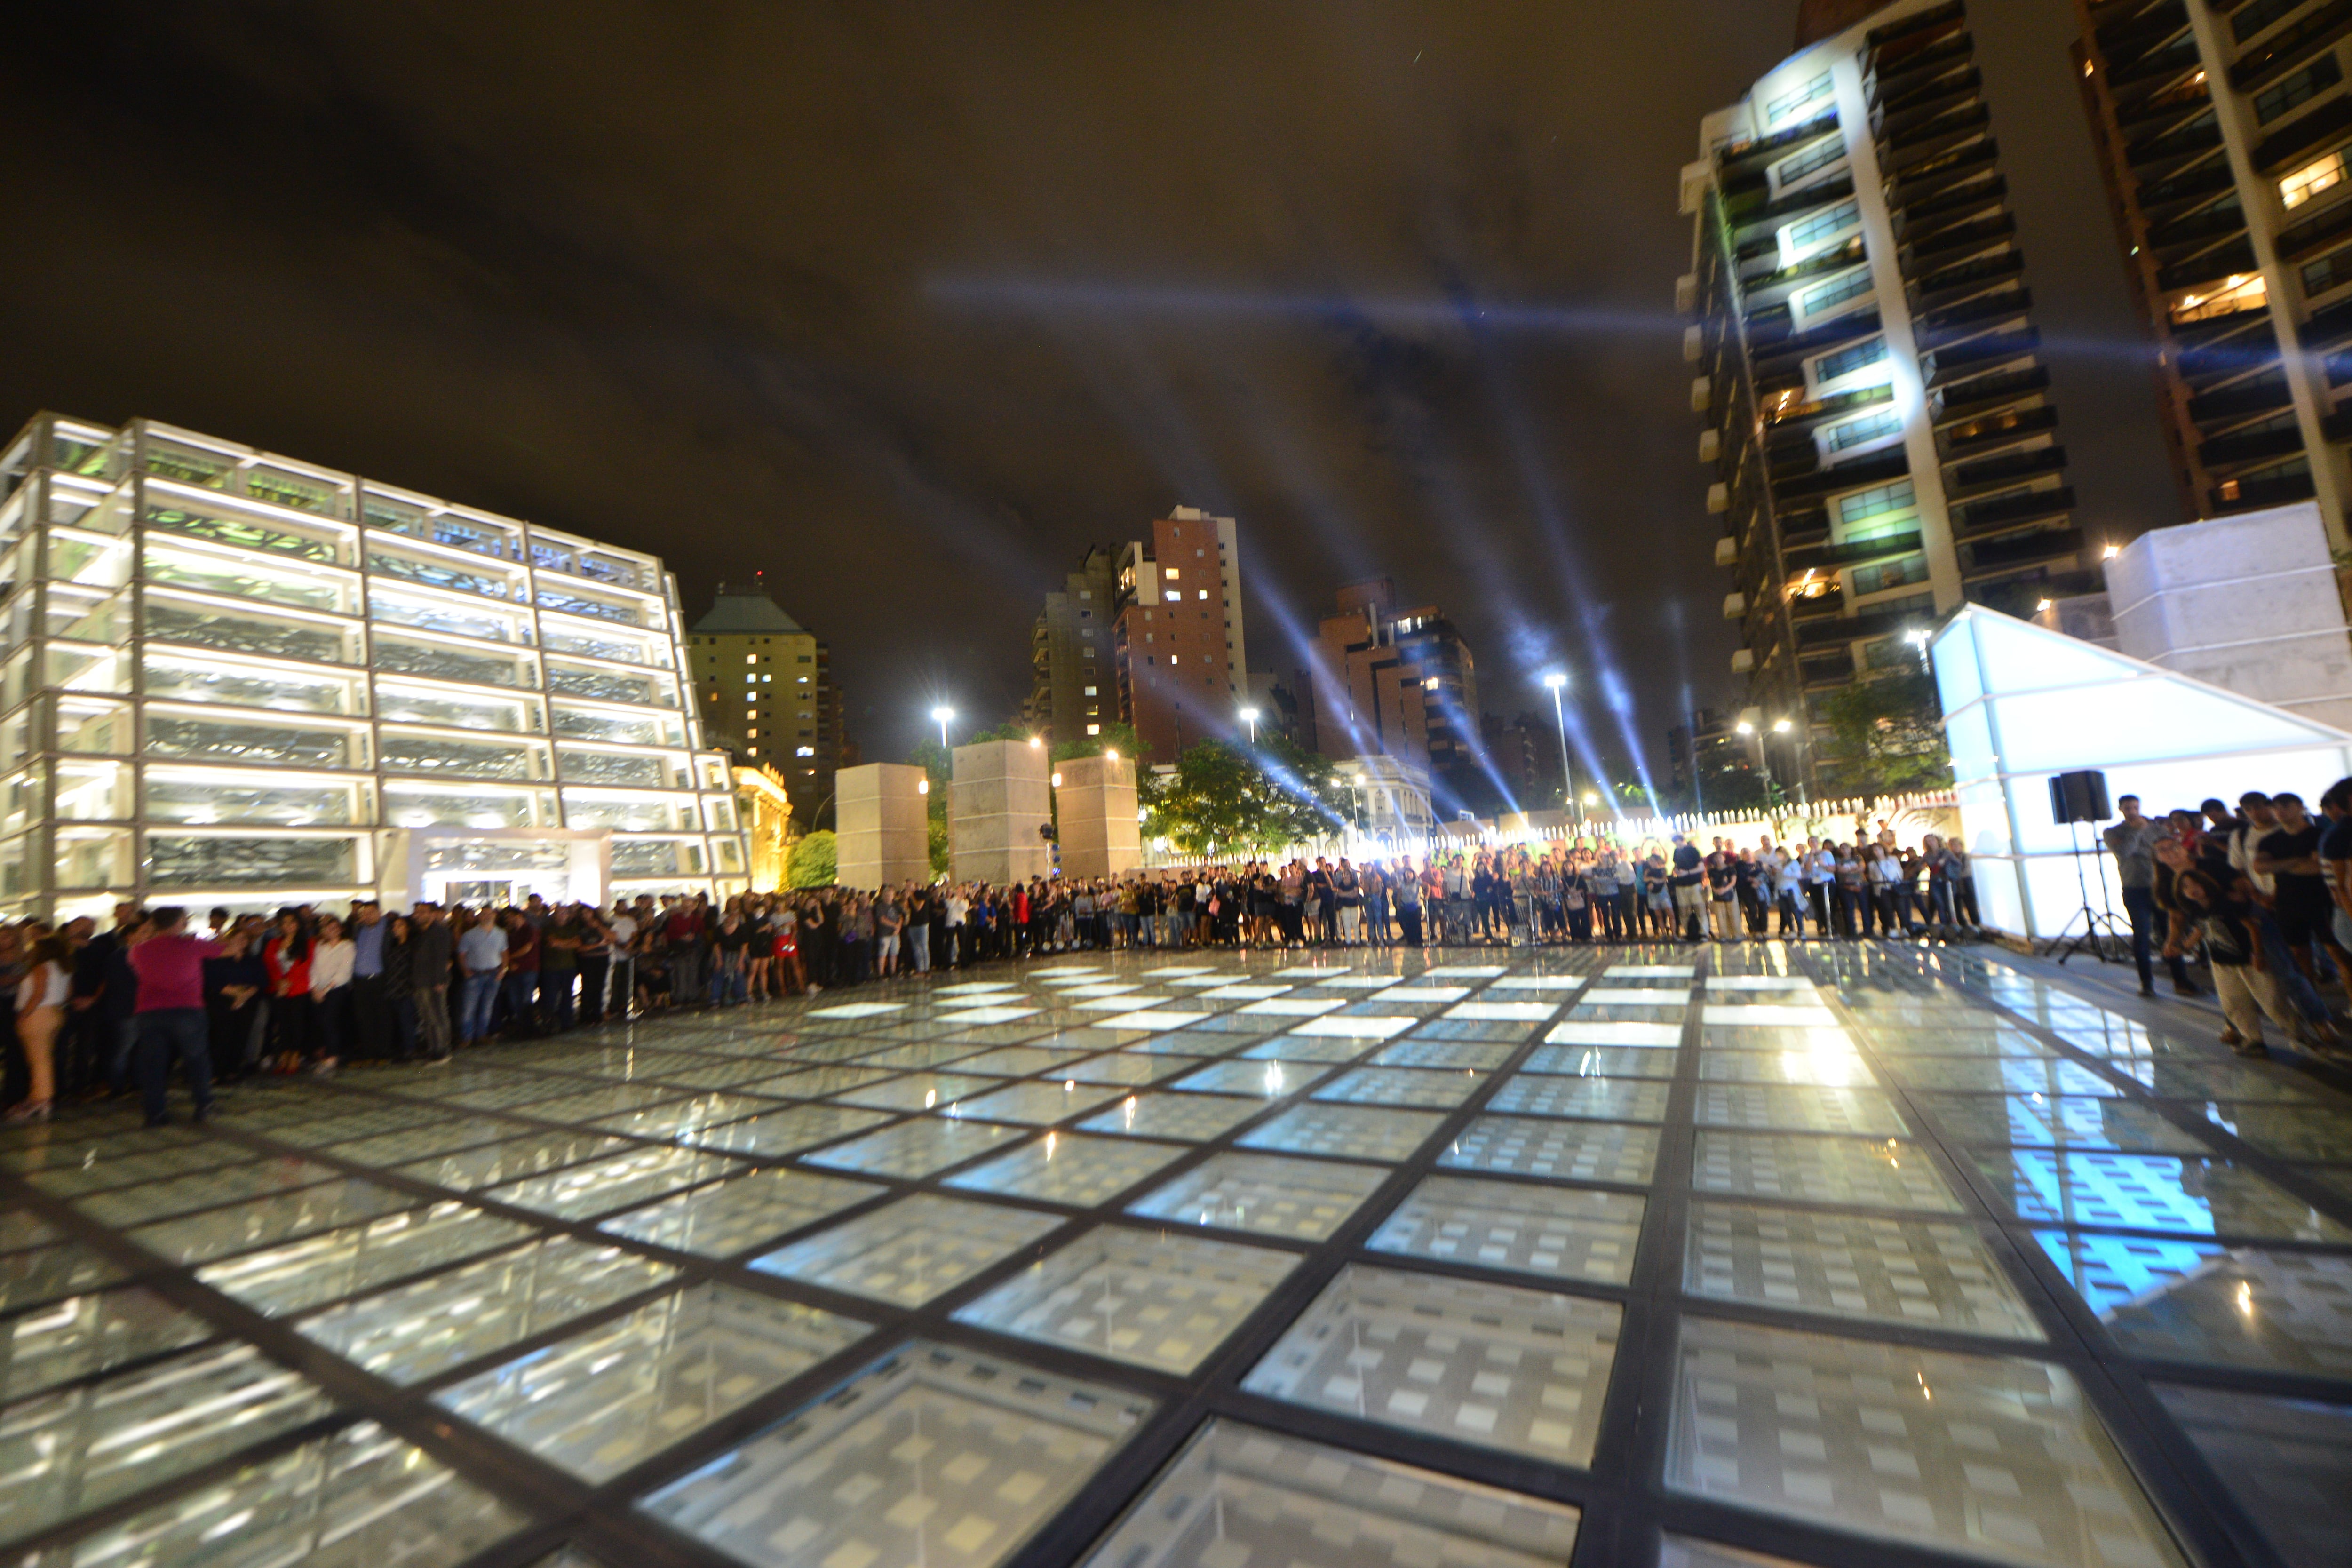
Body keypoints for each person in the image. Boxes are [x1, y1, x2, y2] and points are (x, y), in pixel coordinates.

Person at [125, 908, 221, 1125]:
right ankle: (204, 1104)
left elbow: (135, 965)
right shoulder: (192, 946)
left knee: (154, 1064)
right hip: (187, 1009)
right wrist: (218, 936)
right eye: (185, 920)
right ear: (179, 922)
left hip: (149, 1012)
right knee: (197, 1060)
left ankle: (155, 1112)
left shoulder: (139, 950)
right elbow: (226, 950)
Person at [2105, 794, 2197, 998]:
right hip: (2134, 888)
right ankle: (2146, 982)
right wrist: (2137, 833)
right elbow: (2124, 852)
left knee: (2172, 930)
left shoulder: (2156, 828)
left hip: (2160, 886)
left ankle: (2181, 980)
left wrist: (2144, 844)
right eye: (2128, 808)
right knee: (2142, 934)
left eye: (2135, 807)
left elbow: (2164, 850)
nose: (2132, 811)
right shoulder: (2113, 832)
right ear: (2121, 809)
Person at [8, 936, 70, 1122]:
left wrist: (24, 1014)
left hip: (38, 1015)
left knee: (38, 1060)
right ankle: (40, 1097)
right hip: (56, 1012)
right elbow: (68, 994)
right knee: (45, 1058)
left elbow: (38, 994)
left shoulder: (41, 967)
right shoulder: (64, 968)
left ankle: (41, 1100)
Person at [410, 903, 454, 1062]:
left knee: (437, 1016)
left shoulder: (439, 932)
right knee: (427, 1018)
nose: (418, 915)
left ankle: (442, 1050)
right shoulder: (419, 933)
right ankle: (432, 1048)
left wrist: (440, 980)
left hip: (433, 982)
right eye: (416, 912)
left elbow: (442, 957)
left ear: (432, 914)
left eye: (423, 912)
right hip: (420, 981)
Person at [457, 909, 506, 1048]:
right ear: (479, 917)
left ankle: (482, 1035)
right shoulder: (469, 935)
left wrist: (503, 969)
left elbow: (505, 953)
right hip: (475, 974)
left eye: (490, 914)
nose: (487, 917)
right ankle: (467, 1037)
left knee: (487, 1007)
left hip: (494, 974)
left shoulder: (501, 934)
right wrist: (465, 970)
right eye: (484, 915)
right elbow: (461, 954)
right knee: (469, 1008)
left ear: (495, 916)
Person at [1668, 835, 1706, 942]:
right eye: (1675, 844)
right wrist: (1676, 870)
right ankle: (1689, 932)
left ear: (1682, 841)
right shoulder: (1676, 852)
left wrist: (1687, 873)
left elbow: (1701, 867)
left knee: (1700, 909)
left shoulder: (1693, 851)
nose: (1677, 846)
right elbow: (1676, 865)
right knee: (1684, 911)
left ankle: (1704, 933)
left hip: (1694, 883)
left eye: (1677, 843)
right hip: (1681, 885)